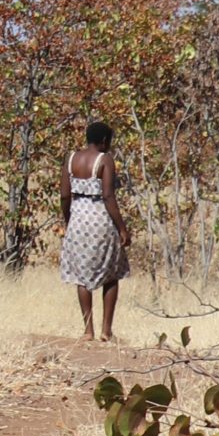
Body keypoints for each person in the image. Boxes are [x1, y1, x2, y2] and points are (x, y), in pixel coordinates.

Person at [59, 118, 132, 342]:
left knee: (82, 277)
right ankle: (106, 331)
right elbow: (108, 196)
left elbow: (64, 194)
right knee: (111, 274)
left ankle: (88, 330)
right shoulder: (105, 160)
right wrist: (122, 227)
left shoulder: (71, 159)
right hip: (101, 221)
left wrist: (68, 218)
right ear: (102, 141)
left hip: (78, 221)